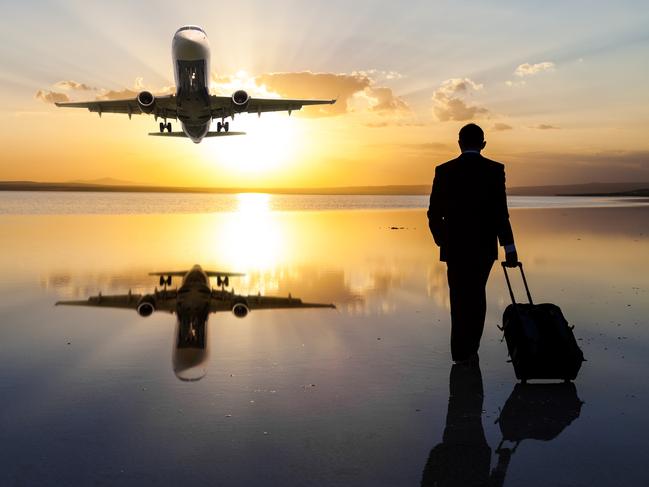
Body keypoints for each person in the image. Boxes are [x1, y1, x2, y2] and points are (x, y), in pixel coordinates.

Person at [427, 123, 517, 364]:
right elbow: (501, 213)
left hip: (455, 248)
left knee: (458, 298)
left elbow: (433, 214)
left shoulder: (444, 170)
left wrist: (443, 241)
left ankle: (459, 352)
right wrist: (509, 248)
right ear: (483, 144)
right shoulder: (495, 170)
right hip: (484, 248)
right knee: (477, 296)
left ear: (459, 143)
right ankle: (472, 349)